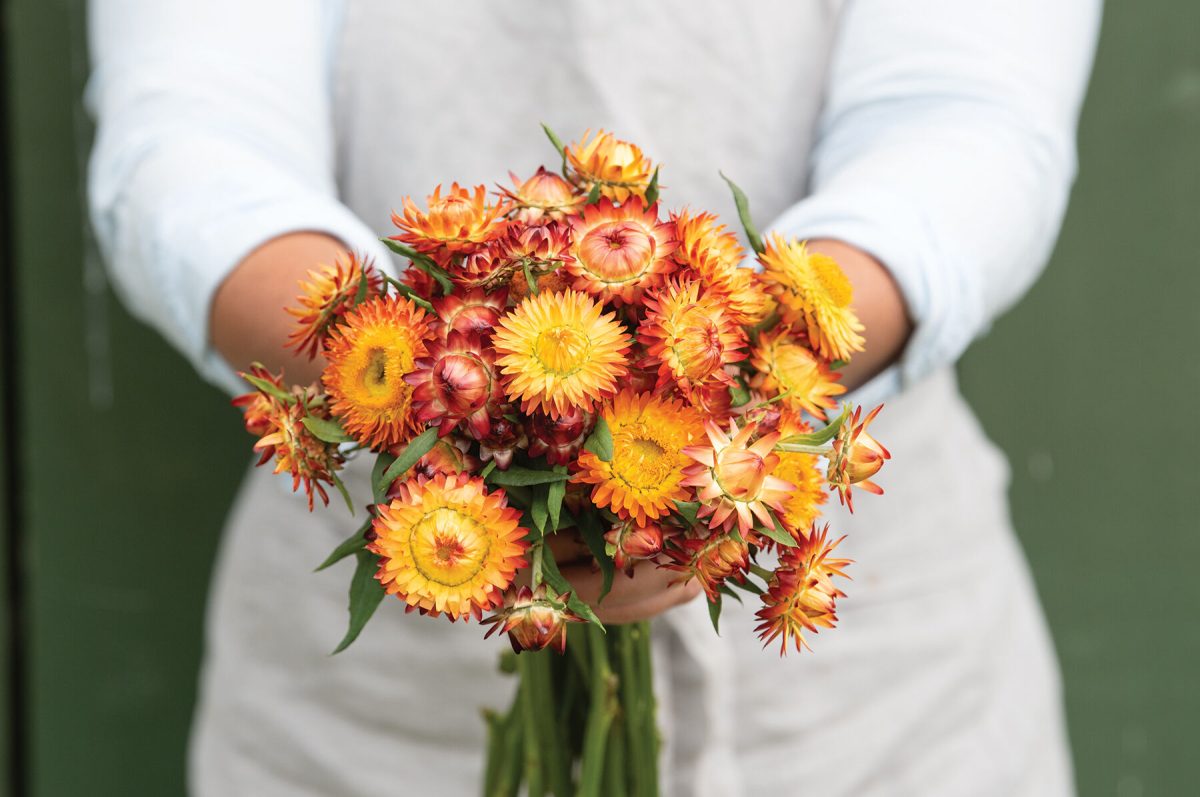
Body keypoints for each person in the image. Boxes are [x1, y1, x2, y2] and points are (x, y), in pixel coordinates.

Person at [87, 1, 1100, 794]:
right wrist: (440, 390)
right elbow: (188, 138)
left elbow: (972, 122)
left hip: (874, 711)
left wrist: (718, 399)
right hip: (372, 717)